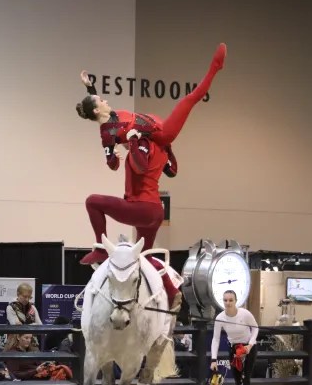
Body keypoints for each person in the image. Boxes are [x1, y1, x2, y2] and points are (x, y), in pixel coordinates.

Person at [75, 44, 227, 310]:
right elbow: (110, 159)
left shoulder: (108, 116)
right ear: (97, 111)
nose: (106, 100)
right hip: (158, 153)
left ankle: (164, 285)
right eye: (101, 101)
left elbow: (96, 109)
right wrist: (121, 152)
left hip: (151, 172)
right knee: (188, 100)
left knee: (139, 252)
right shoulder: (109, 134)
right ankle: (169, 288)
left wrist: (89, 87)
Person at [209, 290, 258, 385]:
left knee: (245, 377)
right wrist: (214, 359)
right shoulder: (220, 318)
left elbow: (255, 328)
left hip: (248, 348)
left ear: (236, 301)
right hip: (234, 349)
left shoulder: (245, 314)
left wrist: (250, 345)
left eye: (231, 300)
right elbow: (216, 339)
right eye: (225, 300)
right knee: (238, 380)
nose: (228, 303)